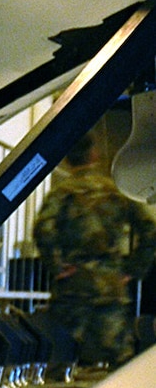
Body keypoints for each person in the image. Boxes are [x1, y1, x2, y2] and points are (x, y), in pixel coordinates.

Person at [32, 133, 156, 364]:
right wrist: (133, 269)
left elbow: (42, 230)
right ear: (94, 155)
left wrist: (57, 266)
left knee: (61, 362)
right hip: (110, 288)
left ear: (68, 160)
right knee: (118, 365)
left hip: (72, 288)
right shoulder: (114, 191)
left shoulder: (62, 193)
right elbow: (150, 231)